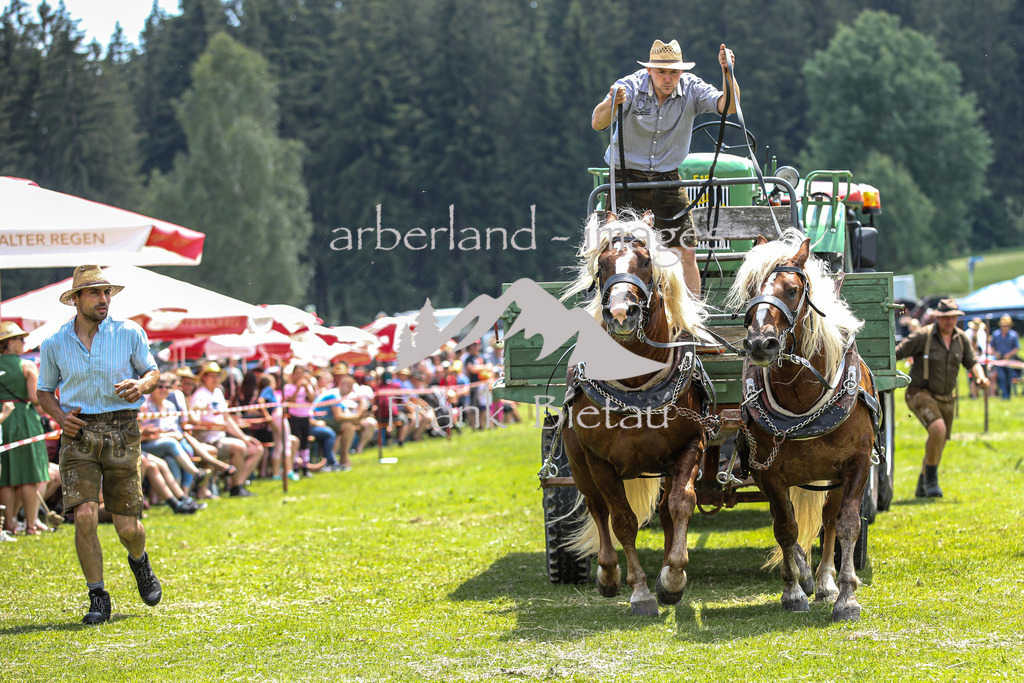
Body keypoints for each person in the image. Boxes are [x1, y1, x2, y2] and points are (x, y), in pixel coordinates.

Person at [36, 265, 163, 624]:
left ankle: (139, 563)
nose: (104, 299)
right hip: (78, 435)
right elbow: (44, 391)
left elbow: (152, 371)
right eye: (95, 293)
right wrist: (60, 418)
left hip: (123, 429)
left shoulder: (129, 332)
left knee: (127, 527)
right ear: (75, 299)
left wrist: (142, 385)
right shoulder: (55, 342)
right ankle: (97, 595)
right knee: (85, 517)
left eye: (107, 292)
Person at [592, 39, 738, 295]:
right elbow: (598, 122)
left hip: (668, 180)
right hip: (626, 180)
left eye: (673, 72)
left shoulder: (693, 88)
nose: (667, 78)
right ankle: (615, 306)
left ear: (682, 71)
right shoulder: (629, 87)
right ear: (649, 70)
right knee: (620, 252)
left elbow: (729, 106)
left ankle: (691, 319)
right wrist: (611, 103)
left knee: (686, 251)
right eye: (661, 71)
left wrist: (728, 73)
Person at [895, 299, 989, 498]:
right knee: (938, 430)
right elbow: (897, 352)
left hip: (947, 397)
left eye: (952, 317)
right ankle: (932, 481)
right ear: (938, 317)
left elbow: (972, 362)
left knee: (939, 440)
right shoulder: (923, 336)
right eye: (945, 317)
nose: (949, 321)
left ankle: (922, 484)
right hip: (920, 392)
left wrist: (980, 377)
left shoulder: (961, 338)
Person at [0, 321, 50, 537]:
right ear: (10, 343)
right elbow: (35, 397)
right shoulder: (26, 366)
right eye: (20, 339)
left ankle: (9, 523)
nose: (24, 343)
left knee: (7, 476)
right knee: (30, 475)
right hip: (25, 419)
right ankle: (30, 524)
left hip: (3, 418)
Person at [189, 361, 262, 496]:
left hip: (221, 437)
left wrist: (244, 437)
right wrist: (215, 426)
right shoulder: (199, 395)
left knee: (256, 448)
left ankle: (238, 484)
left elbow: (227, 419)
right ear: (204, 377)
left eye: (217, 376)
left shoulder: (218, 392)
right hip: (208, 440)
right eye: (212, 376)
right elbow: (195, 422)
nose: (216, 379)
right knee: (240, 447)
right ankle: (236, 486)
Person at [987, 314, 1020, 400]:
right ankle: (1004, 395)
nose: (1004, 327)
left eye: (1006, 326)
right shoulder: (996, 334)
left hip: (1009, 360)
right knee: (1001, 377)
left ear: (1009, 326)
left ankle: (1008, 395)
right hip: (999, 360)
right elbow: (991, 347)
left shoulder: (1013, 335)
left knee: (1009, 377)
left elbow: (1017, 348)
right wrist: (995, 353)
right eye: (1003, 326)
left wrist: (1009, 354)